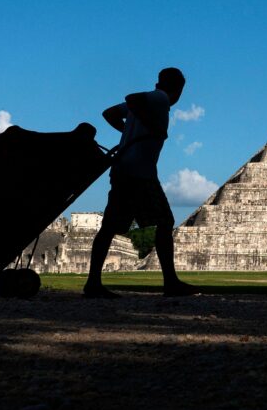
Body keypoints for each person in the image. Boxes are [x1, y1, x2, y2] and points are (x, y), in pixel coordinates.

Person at [84, 67, 199, 299]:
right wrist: (152, 126)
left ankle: (93, 281)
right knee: (165, 221)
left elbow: (109, 113)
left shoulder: (150, 102)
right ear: (178, 89)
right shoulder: (159, 98)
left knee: (110, 226)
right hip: (139, 173)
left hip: (127, 170)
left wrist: (129, 129)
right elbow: (132, 99)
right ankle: (171, 282)